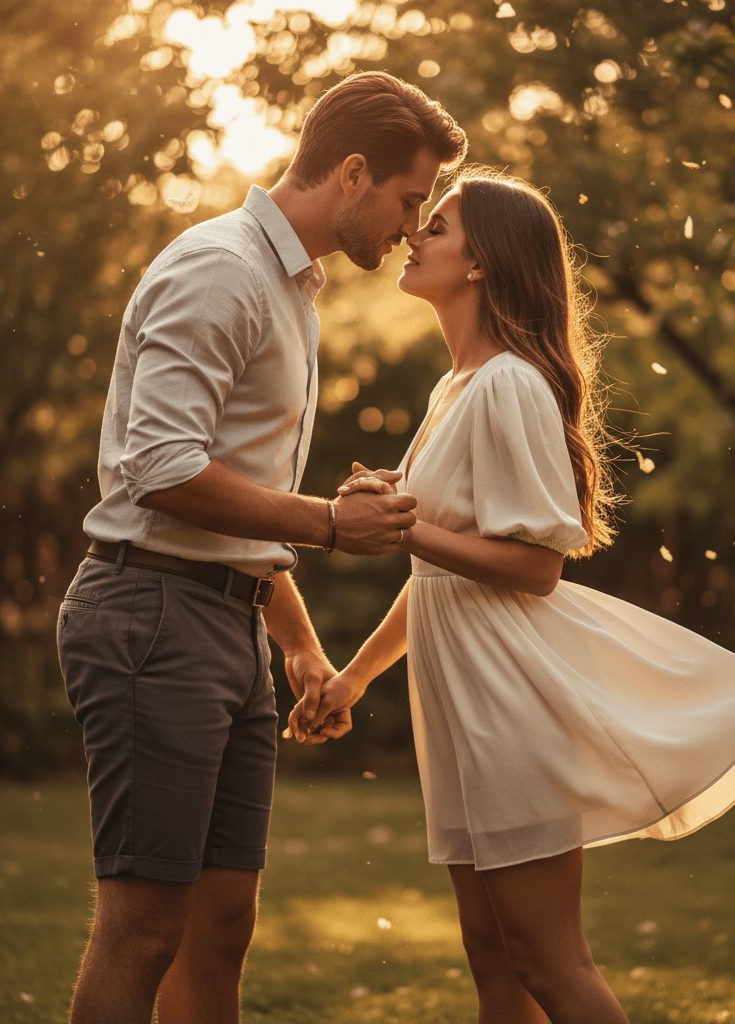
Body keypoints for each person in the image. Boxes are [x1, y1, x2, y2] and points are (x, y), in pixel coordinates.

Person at [288, 168, 735, 1024]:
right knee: (493, 962)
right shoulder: (453, 389)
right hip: (458, 705)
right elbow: (441, 578)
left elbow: (534, 568)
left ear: (485, 263)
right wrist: (354, 677)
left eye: (440, 225)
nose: (416, 234)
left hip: (508, 701)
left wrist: (401, 524)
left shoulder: (511, 384)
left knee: (547, 959)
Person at [55, 72, 467, 1024]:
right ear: (353, 172)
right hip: (153, 618)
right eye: (411, 201)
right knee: (146, 926)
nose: (413, 227)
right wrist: (329, 522)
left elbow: (237, 502)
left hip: (224, 623)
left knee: (222, 924)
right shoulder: (223, 268)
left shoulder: (290, 291)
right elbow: (156, 467)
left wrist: (302, 646)